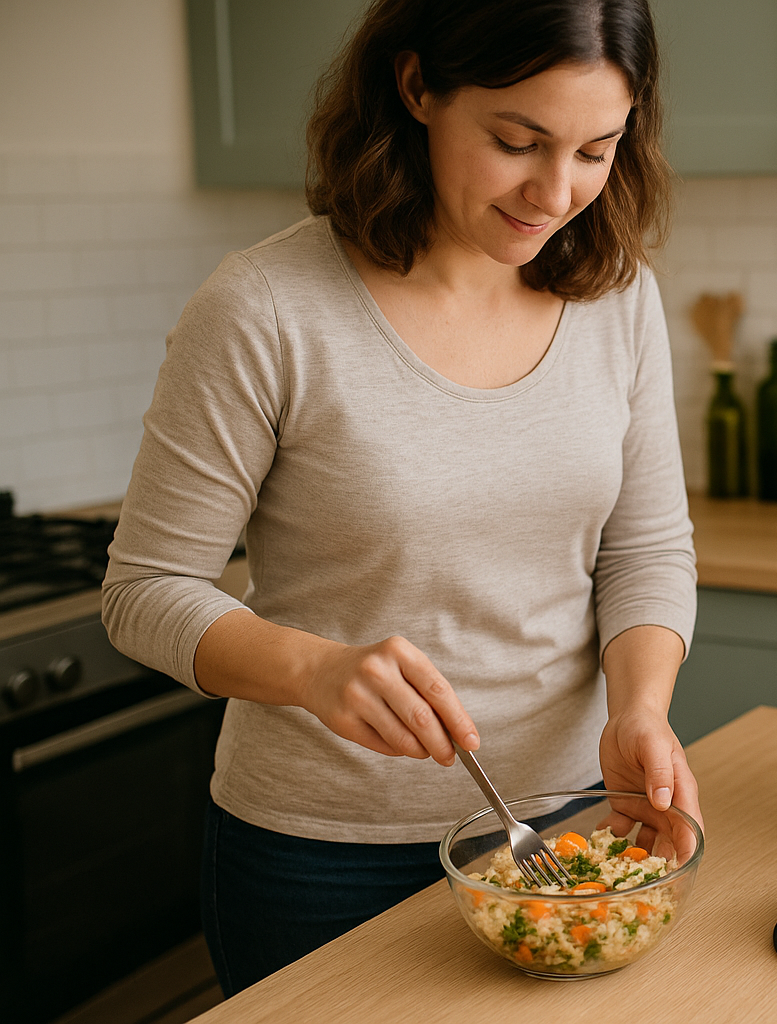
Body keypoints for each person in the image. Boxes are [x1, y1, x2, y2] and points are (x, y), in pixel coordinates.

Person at [102, 0, 698, 996]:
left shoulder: (616, 293)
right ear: (417, 87)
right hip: (320, 860)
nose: (556, 192)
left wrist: (640, 707)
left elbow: (646, 548)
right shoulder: (264, 310)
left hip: (562, 837)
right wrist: (314, 669)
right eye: (518, 141)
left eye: (597, 150)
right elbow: (145, 589)